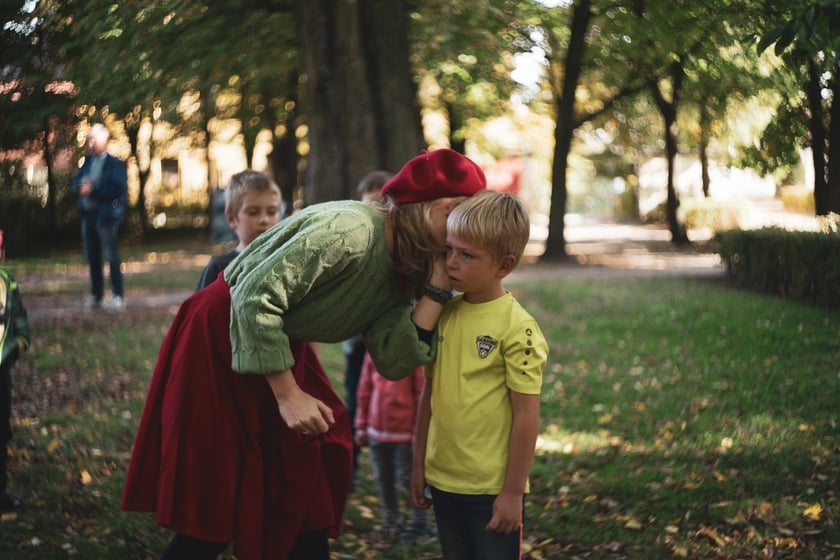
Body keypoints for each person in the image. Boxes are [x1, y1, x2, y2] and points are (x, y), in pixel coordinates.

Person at [121, 148, 486, 560]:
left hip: (279, 346)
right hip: (220, 339)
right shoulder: (350, 231)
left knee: (305, 492)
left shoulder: (409, 262)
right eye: (458, 214)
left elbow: (393, 358)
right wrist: (287, 394)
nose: (465, 230)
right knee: (218, 503)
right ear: (429, 209)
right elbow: (254, 296)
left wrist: (436, 290)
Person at [410, 190, 549, 560]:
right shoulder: (445, 312)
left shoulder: (519, 328)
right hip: (442, 482)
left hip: (491, 491)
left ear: (503, 266)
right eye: (449, 250)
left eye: (466, 254)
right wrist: (419, 463)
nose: (451, 262)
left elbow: (526, 417)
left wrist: (512, 493)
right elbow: (430, 394)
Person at [342, 169, 392, 490]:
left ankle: (400, 461)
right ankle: (350, 466)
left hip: (387, 341)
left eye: (380, 201)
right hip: (358, 342)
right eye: (368, 201)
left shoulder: (398, 244)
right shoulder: (355, 240)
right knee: (354, 400)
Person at [354, 354, 431, 544]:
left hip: (404, 435)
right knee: (383, 478)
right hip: (376, 431)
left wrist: (418, 434)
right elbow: (364, 388)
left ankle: (421, 524)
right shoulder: (372, 354)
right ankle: (391, 519)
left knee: (407, 480)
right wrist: (361, 424)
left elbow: (421, 393)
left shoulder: (411, 355)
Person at [71, 123, 129, 312]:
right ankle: (96, 295)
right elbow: (76, 180)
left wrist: (93, 190)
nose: (90, 142)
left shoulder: (115, 164)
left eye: (94, 138)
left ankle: (117, 296)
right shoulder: (87, 161)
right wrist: (80, 186)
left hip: (106, 217)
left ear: (104, 140)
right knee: (92, 256)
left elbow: (118, 189)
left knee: (111, 256)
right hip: (88, 216)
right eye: (89, 138)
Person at [195, 170, 282, 291]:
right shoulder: (219, 268)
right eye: (253, 212)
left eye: (272, 212)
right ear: (231, 219)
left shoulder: (284, 262)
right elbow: (198, 308)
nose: (264, 219)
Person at [0, 230, 32, 512]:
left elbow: (19, 316)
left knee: (1, 431)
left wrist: (21, 341)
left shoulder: (7, 282)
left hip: (1, 372)